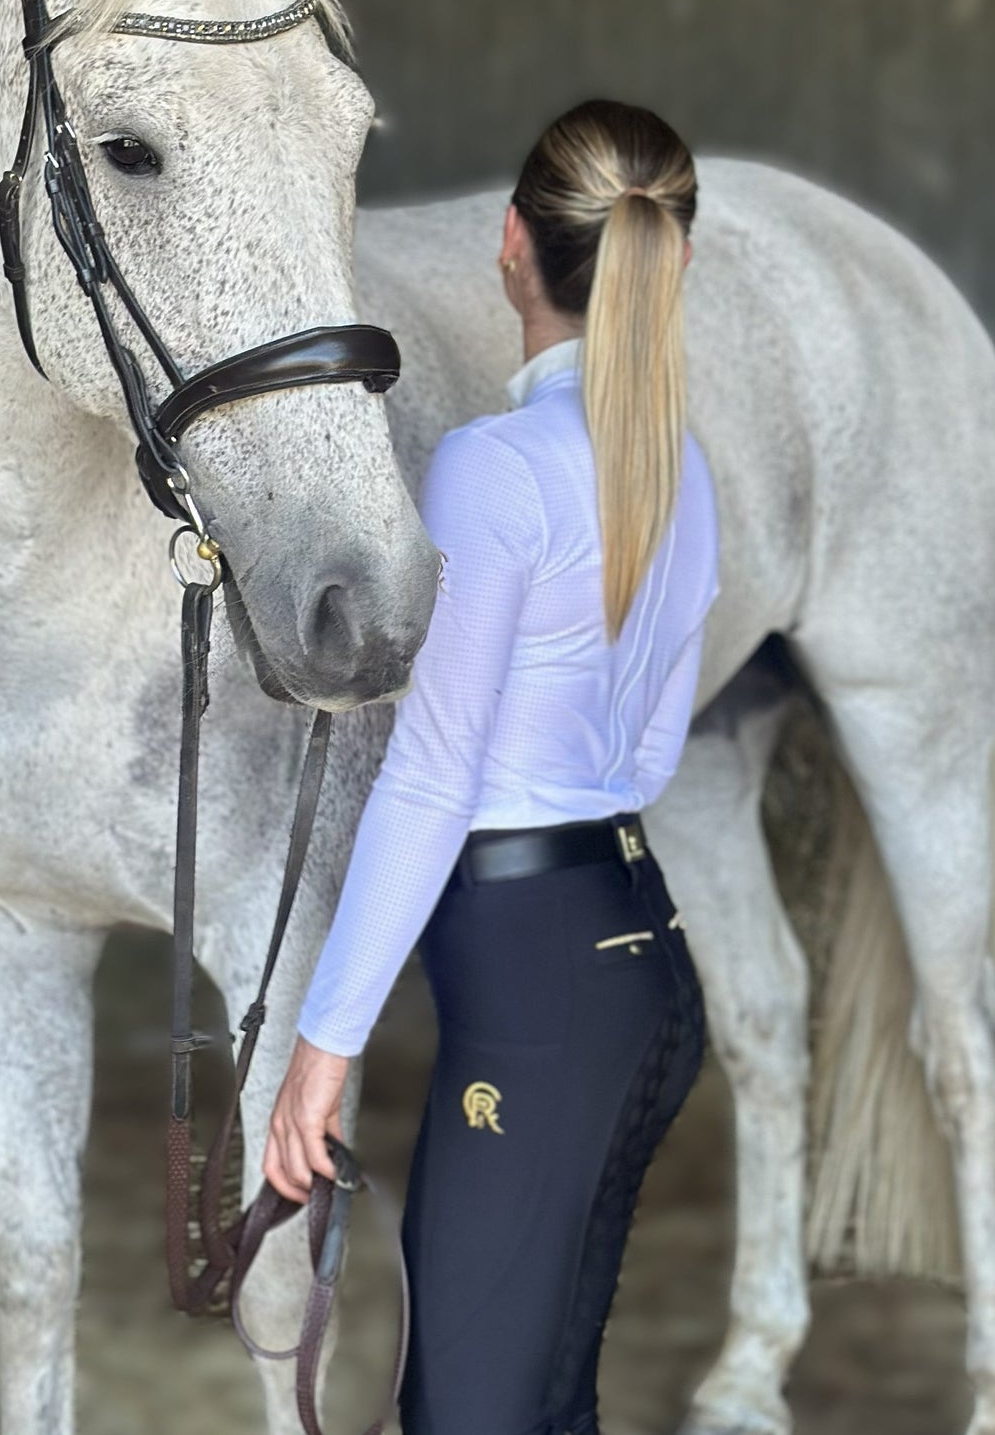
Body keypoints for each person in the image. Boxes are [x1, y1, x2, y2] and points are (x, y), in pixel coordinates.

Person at [264, 98, 721, 1435]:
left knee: (468, 1413)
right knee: (544, 1404)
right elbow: (645, 751)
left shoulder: (494, 466)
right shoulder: (679, 467)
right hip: (643, 967)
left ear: (511, 245)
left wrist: (322, 1044)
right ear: (673, 260)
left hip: (536, 979)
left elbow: (432, 777)